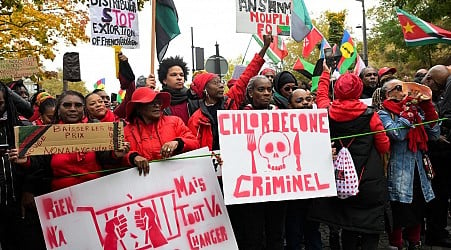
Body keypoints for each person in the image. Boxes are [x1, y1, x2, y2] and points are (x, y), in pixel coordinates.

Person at [309, 62, 390, 250]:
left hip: (340, 180)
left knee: (347, 224)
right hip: (368, 179)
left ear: (336, 90)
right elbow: (384, 144)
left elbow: (321, 95)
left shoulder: (327, 112)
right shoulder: (371, 115)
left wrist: (325, 75)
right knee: (370, 226)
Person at [378, 79, 440, 249]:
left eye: (404, 87)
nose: (404, 90)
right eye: (399, 88)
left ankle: (415, 242)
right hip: (399, 172)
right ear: (387, 94)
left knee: (418, 207)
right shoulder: (383, 114)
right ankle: (396, 243)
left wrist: (428, 109)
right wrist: (408, 112)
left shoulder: (415, 110)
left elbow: (433, 135)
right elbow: (397, 134)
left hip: (418, 170)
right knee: (399, 209)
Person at [188, 34, 273, 151]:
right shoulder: (196, 118)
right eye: (215, 83)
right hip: (211, 165)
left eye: (221, 81)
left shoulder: (230, 101)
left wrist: (264, 48)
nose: (221, 85)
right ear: (204, 89)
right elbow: (194, 147)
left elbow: (248, 74)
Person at [123, 87, 199, 175]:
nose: (157, 105)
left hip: (177, 179)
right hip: (144, 184)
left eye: (158, 102)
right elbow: (117, 157)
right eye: (151, 102)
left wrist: (177, 143)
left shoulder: (175, 122)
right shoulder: (126, 131)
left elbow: (195, 143)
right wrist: (133, 157)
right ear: (138, 107)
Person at [286, 88, 322, 250]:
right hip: (292, 189)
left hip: (313, 187)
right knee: (294, 228)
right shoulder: (282, 124)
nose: (305, 103)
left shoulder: (321, 123)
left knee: (313, 228)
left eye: (308, 99)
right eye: (299, 101)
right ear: (290, 105)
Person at [422, 65, 451, 247]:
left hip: (440, 152)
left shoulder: (435, 95)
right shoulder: (418, 95)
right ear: (430, 80)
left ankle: (436, 230)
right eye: (440, 86)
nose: (441, 90)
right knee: (438, 195)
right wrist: (435, 135)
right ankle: (435, 232)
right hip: (433, 153)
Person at [157, 56, 196, 124]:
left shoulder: (193, 99)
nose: (179, 78)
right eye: (174, 75)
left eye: (181, 75)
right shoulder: (159, 102)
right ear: (164, 80)